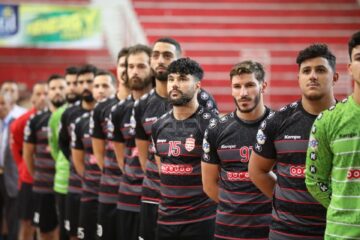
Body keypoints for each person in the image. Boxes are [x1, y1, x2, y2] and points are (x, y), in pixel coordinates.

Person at [248, 43, 338, 239]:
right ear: (299, 78)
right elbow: (257, 170)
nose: (312, 76)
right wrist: (286, 200)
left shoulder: (350, 121)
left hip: (339, 230)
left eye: (320, 70)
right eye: (306, 71)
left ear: (335, 77)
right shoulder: (278, 121)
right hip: (286, 232)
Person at [135, 37, 218, 240]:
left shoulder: (212, 124)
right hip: (166, 218)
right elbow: (162, 168)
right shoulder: (159, 125)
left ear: (198, 85)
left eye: (182, 79)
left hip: (202, 219)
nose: (174, 84)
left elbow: (219, 175)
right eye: (172, 79)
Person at [201, 60, 272, 239]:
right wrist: (234, 207)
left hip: (272, 229)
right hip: (228, 229)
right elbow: (209, 185)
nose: (243, 93)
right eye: (237, 86)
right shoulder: (216, 128)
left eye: (249, 85)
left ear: (263, 86)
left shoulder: (280, 125)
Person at [305, 31, 360, 239]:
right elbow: (314, 179)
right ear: (350, 68)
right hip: (341, 233)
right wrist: (342, 206)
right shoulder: (327, 120)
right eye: (359, 58)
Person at [110, 44, 153, 240]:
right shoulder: (118, 111)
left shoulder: (167, 106)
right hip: (127, 197)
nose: (134, 72)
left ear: (152, 68)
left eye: (141, 66)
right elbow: (121, 158)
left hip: (157, 198)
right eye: (130, 66)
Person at [71, 68, 116, 240]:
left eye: (105, 85)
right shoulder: (80, 123)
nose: (100, 90)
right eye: (96, 86)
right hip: (90, 191)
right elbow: (78, 161)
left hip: (115, 192)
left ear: (114, 88)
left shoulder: (121, 116)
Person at [90, 48, 129, 240]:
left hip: (141, 191)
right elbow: (98, 154)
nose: (128, 70)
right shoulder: (102, 108)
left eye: (133, 66)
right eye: (124, 65)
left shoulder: (153, 105)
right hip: (110, 188)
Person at [23, 74, 67, 240]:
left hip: (66, 186)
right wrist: (36, 176)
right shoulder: (36, 120)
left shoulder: (71, 117)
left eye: (61, 88)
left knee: (65, 231)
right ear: (48, 93)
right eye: (53, 89)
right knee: (45, 231)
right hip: (43, 185)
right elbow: (28, 153)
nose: (57, 92)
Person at [58, 64, 97, 240]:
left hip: (104, 187)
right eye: (81, 82)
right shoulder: (69, 114)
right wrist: (78, 164)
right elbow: (63, 145)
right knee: (74, 235)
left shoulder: (109, 111)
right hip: (75, 186)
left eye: (90, 81)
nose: (86, 86)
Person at [10, 82, 48, 240]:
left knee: (49, 226)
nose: (42, 98)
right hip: (28, 180)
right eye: (38, 94)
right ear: (32, 97)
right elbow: (16, 149)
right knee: (27, 224)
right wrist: (23, 168)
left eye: (45, 93)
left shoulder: (58, 118)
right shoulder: (21, 122)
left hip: (49, 180)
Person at [48, 66, 79, 240]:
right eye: (69, 83)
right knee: (65, 232)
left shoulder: (94, 111)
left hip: (87, 183)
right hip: (63, 182)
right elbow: (55, 147)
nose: (73, 87)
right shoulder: (58, 115)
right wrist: (67, 162)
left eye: (76, 83)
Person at [0, 92, 20, 240]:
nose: (0, 107)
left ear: (10, 105)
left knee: (13, 219)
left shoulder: (17, 124)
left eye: (2, 103)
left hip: (11, 177)